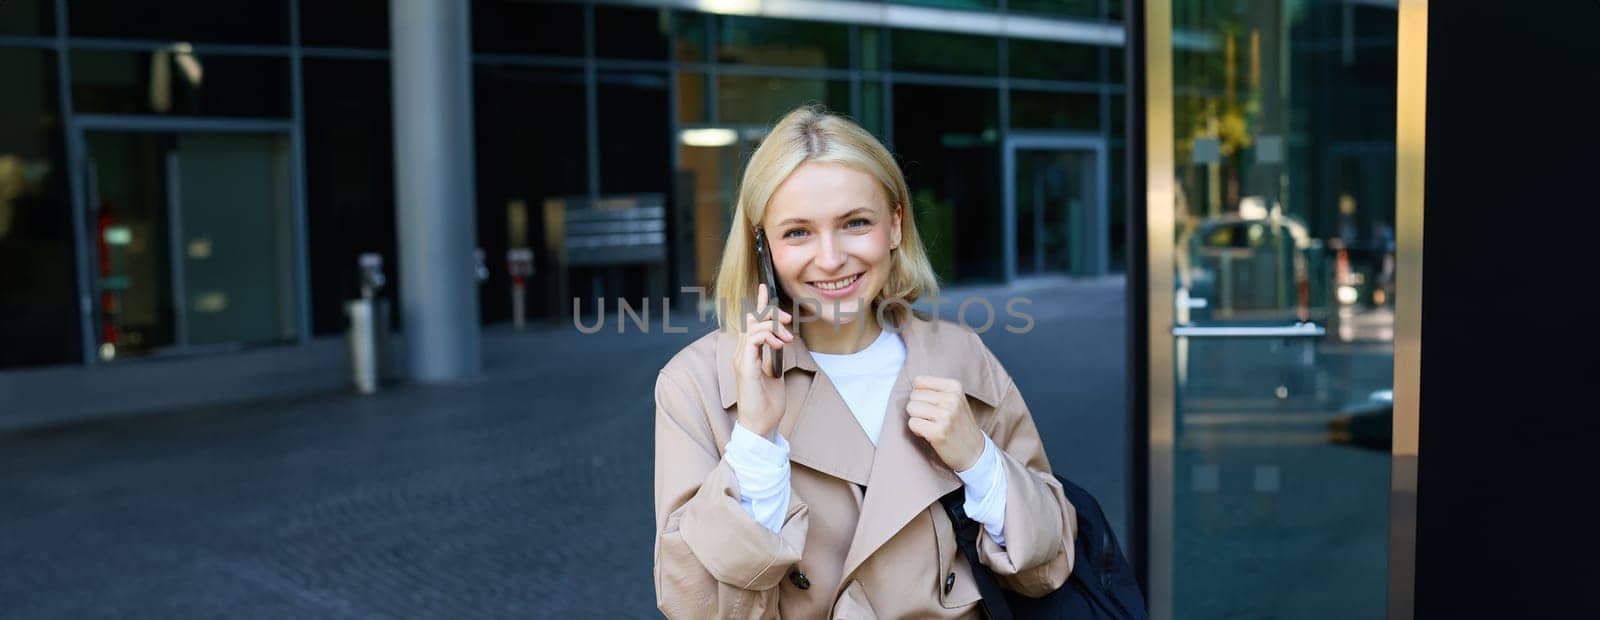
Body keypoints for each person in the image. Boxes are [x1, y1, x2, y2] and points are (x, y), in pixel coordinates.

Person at [653, 105, 1076, 619]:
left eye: (855, 223)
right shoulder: (698, 383)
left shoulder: (961, 357)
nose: (831, 259)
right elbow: (695, 605)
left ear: (895, 225)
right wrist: (754, 444)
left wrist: (979, 460)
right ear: (762, 245)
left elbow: (1048, 565)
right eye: (798, 233)